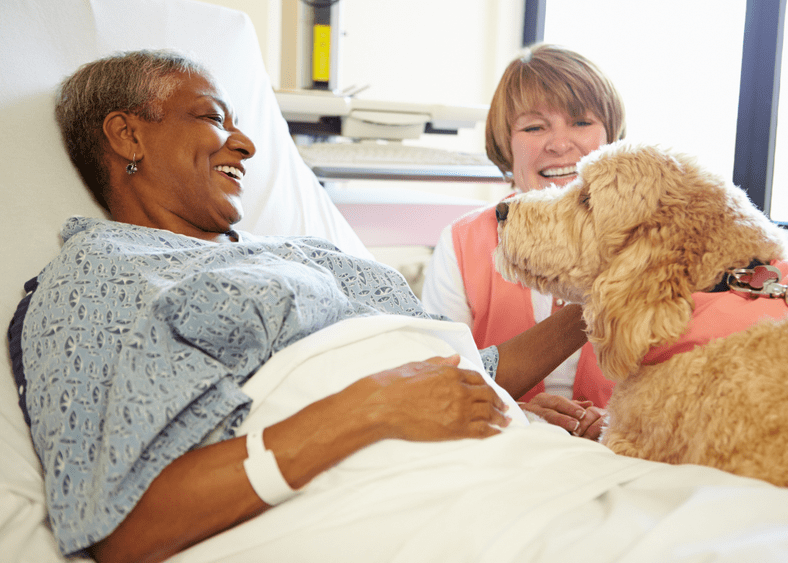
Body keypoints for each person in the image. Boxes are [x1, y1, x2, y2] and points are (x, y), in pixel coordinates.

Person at [15, 50, 600, 563]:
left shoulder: (307, 252)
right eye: (213, 118)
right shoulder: (101, 270)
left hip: (514, 466)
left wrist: (611, 295)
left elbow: (471, 373)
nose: (244, 144)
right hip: (404, 500)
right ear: (126, 135)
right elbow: (118, 528)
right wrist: (371, 407)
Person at [422, 44, 625, 435]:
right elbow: (438, 381)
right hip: (505, 442)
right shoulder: (463, 243)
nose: (560, 144)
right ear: (505, 143)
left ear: (611, 135)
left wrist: (617, 422)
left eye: (581, 122)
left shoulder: (650, 238)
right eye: (535, 127)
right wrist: (522, 413)